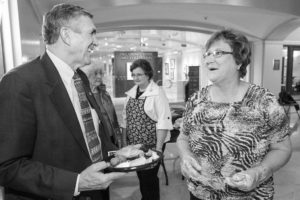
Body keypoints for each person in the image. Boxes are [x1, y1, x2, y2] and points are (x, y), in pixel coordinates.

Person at [0, 3, 125, 200]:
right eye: (91, 33)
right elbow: (8, 167)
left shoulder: (80, 78)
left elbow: (88, 139)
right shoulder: (20, 82)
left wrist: (117, 154)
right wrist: (76, 183)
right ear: (66, 35)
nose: (96, 42)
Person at [177, 29, 292, 200]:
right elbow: (183, 138)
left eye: (218, 53)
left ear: (239, 60)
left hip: (251, 195)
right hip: (200, 193)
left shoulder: (264, 101)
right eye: (207, 54)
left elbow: (282, 148)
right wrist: (186, 156)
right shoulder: (196, 100)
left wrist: (260, 172)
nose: (209, 59)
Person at [121, 59, 173, 200]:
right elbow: (125, 120)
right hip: (136, 145)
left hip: (152, 144)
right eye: (133, 75)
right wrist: (125, 142)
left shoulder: (157, 92)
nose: (136, 78)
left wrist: (158, 149)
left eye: (139, 74)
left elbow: (163, 121)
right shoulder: (131, 93)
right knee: (141, 176)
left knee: (149, 179)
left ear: (148, 75)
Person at [81, 63, 122, 148]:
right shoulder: (82, 97)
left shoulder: (105, 94)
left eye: (101, 74)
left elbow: (114, 119)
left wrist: (118, 137)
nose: (99, 77)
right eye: (95, 74)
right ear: (86, 76)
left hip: (111, 137)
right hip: (94, 141)